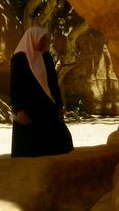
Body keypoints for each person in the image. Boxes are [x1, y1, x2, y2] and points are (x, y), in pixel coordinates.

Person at [9, 25, 73, 158]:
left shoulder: (46, 57)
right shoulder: (19, 59)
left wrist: (59, 106)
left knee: (61, 144)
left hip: (47, 108)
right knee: (31, 149)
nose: (44, 43)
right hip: (29, 109)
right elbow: (15, 86)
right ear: (33, 38)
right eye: (42, 40)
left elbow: (53, 83)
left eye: (46, 40)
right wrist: (19, 109)